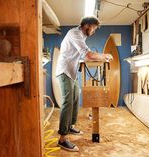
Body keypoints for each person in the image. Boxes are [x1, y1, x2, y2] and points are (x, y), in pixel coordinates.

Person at [56, 16, 113, 152]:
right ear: (87, 25)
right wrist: (104, 55)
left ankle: (70, 126)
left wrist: (93, 56)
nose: (94, 31)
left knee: (75, 99)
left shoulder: (81, 36)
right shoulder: (74, 33)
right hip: (64, 71)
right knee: (68, 102)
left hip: (72, 72)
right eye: (93, 28)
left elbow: (82, 54)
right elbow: (87, 54)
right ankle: (62, 138)